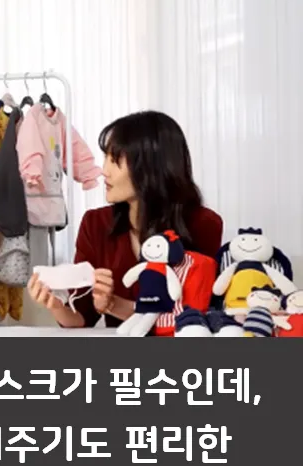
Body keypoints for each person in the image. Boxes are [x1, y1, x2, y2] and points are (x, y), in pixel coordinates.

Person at [28, 110, 223, 329]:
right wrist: (55, 305)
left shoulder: (204, 224)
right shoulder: (95, 224)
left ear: (150, 166)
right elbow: (81, 318)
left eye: (115, 160)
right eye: (106, 158)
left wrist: (114, 304)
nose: (104, 171)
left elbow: (192, 316)